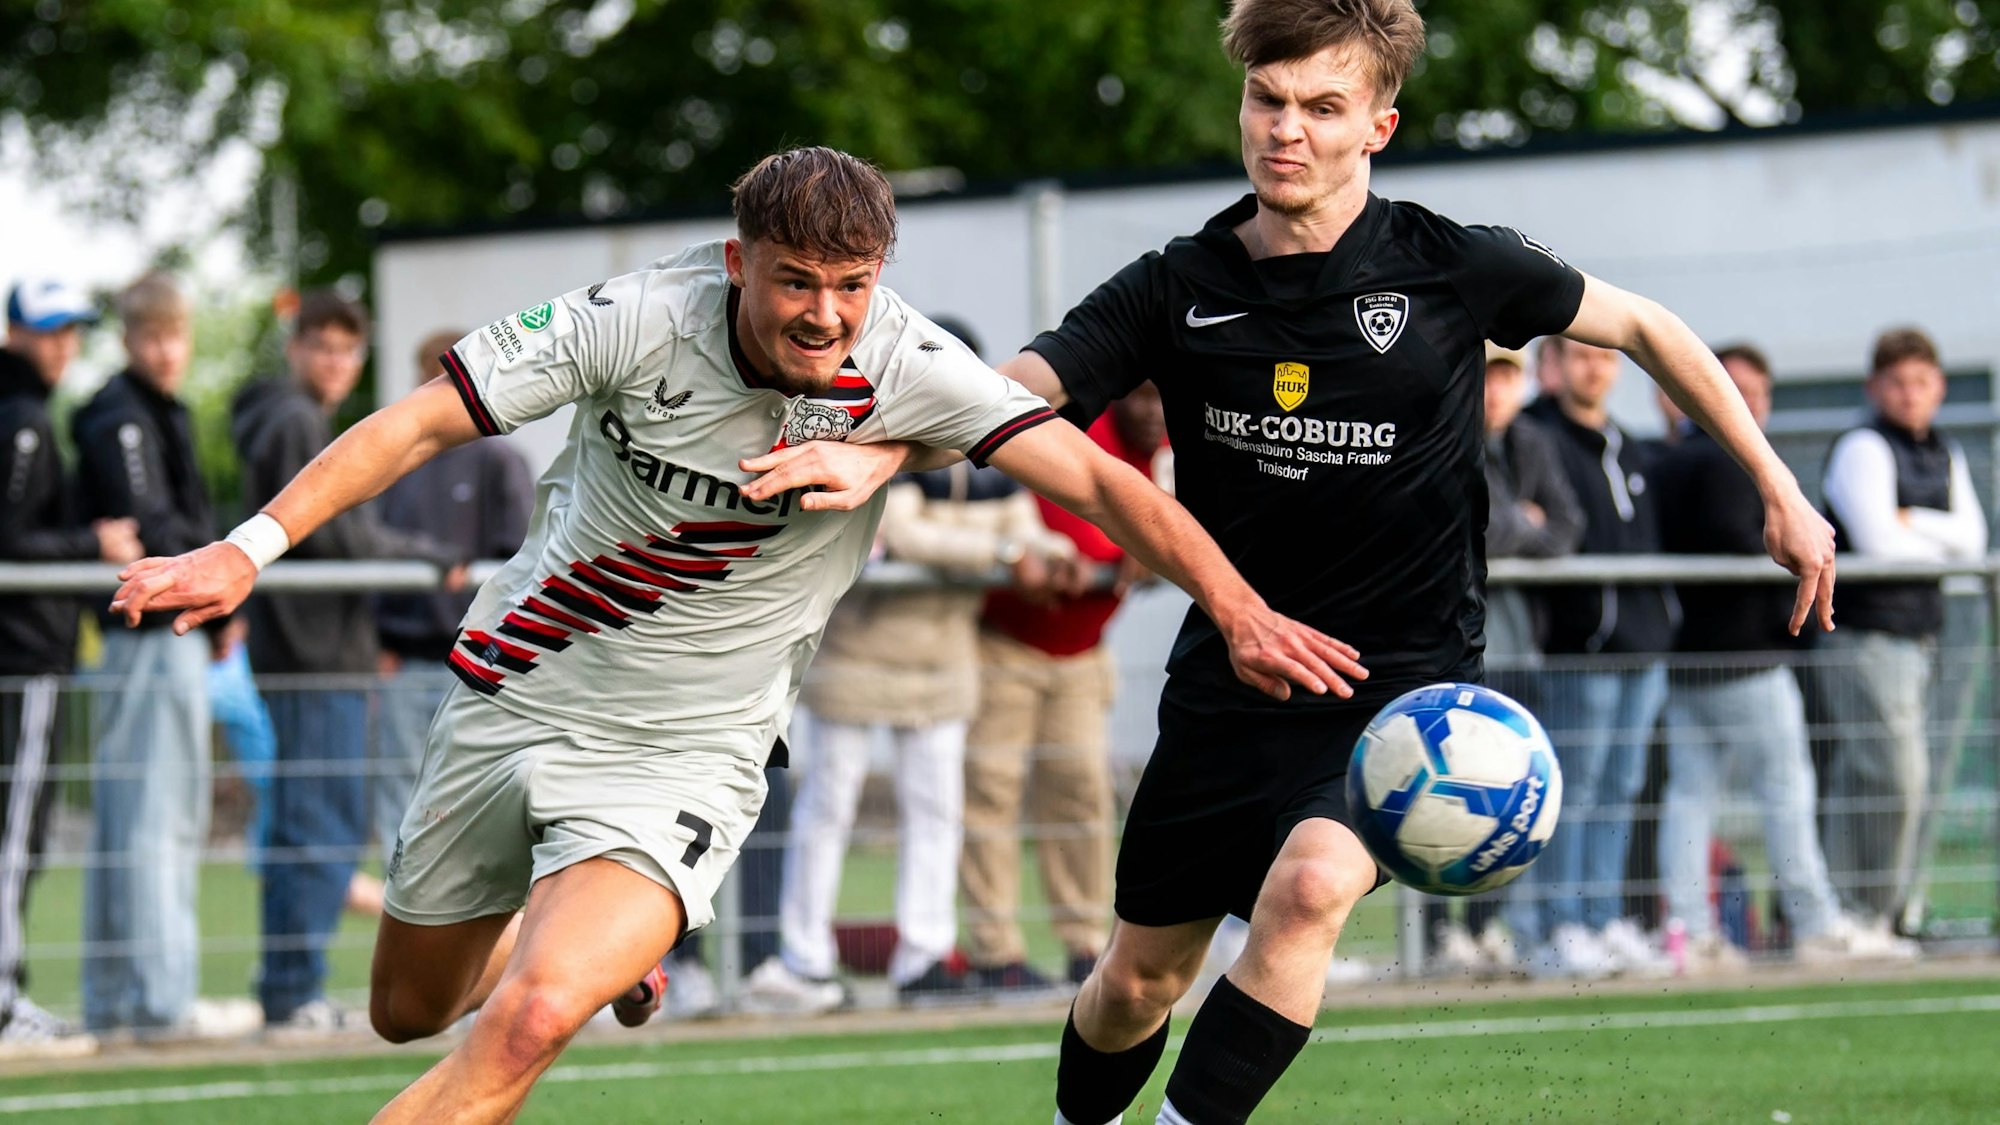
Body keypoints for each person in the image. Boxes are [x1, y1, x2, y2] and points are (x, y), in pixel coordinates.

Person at [108, 146, 1352, 1124]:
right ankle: (607, 958)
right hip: (517, 700)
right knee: (406, 1009)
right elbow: (416, 426)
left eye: (852, 287)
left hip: (689, 752)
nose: (825, 317)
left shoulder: (907, 362)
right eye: (795, 281)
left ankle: (591, 957)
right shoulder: (632, 319)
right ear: (736, 260)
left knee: (532, 1020)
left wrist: (1238, 612)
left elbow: (1101, 489)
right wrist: (243, 549)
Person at [772, 4, 1836, 1120]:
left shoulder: (1452, 266)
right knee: (1135, 983)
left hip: (1400, 691)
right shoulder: (1174, 285)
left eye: (1321, 108)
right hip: (1228, 686)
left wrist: (1777, 485)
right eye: (1266, 101)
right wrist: (881, 449)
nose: (1286, 130)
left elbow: (1654, 330)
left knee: (1313, 887)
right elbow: (1006, 392)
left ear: (1375, 125)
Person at [757, 316, 1072, 1009]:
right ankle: (800, 958)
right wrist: (1000, 553)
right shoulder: (872, 432)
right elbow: (905, 531)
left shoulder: (988, 455)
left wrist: (1039, 554)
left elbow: (1028, 532)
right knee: (828, 804)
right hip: (857, 654)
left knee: (938, 810)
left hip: (943, 658)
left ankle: (923, 956)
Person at [230, 291, 465, 1033]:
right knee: (318, 825)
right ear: (296, 348)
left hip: (314, 653)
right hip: (314, 656)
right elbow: (342, 536)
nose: (334, 362)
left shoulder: (288, 416)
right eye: (321, 346)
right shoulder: (294, 418)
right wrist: (431, 555)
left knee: (311, 822)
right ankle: (293, 989)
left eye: (346, 349)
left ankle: (289, 987)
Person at [1653, 344, 1914, 973]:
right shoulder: (1727, 463)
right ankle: (1815, 924)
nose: (1751, 404)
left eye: (1759, 393)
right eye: (1736, 390)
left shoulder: (1668, 461)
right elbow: (1753, 550)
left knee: (1691, 793)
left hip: (1690, 659)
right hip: (1747, 658)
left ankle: (1691, 935)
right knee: (1786, 788)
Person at [960, 380, 1168, 996]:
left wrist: (1151, 543)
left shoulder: (1170, 448)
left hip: (1081, 655)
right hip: (1006, 645)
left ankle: (1085, 945)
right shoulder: (1080, 432)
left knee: (1082, 797)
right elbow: (1044, 519)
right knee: (990, 798)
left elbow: (1184, 522)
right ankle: (997, 953)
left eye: (1164, 399)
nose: (1155, 413)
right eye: (1143, 397)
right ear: (1118, 397)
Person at [73, 272, 220, 1036]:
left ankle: (117, 998)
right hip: (153, 640)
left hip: (152, 643)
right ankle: (158, 1001)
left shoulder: (153, 412)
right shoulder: (122, 417)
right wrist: (219, 588)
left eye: (176, 335)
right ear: (130, 339)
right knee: (155, 820)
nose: (167, 351)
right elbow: (158, 525)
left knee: (134, 817)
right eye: (152, 336)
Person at [1511, 336, 1679, 980]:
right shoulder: (1535, 435)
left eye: (1605, 358)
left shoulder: (1628, 443)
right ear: (1551, 367)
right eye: (1580, 356)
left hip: (1646, 643)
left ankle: (1602, 917)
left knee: (1620, 788)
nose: (1595, 368)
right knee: (1571, 791)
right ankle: (1558, 925)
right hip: (1581, 646)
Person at [0, 278, 139, 1051]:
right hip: (23, 657)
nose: (62, 345)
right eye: (48, 330)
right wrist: (96, 545)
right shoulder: (21, 420)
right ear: (16, 330)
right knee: (17, 833)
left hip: (24, 656)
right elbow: (10, 538)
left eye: (71, 331)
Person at [1816, 327, 1986, 936]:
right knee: (1891, 777)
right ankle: (1868, 915)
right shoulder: (1863, 446)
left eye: (1921, 382)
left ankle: (1862, 915)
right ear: (1874, 387)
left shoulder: (1944, 450)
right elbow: (1882, 546)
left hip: (1919, 639)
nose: (1910, 395)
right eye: (1897, 383)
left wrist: (1913, 519)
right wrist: (1921, 532)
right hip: (1864, 637)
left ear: (1938, 387)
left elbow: (1974, 541)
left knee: (1876, 777)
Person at [1422, 342, 1582, 978]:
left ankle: (1488, 928)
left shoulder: (1532, 442)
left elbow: (1569, 526)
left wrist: (1517, 523)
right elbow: (1481, 524)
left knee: (1509, 793)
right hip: (1450, 653)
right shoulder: (1437, 434)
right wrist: (1521, 519)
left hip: (1519, 653)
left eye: (1508, 378)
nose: (1497, 392)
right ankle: (1438, 935)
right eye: (1488, 377)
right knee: (1442, 796)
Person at [373, 330, 534, 885]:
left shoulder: (500, 459)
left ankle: (460, 911)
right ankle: (403, 902)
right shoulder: (397, 459)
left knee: (470, 789)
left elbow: (521, 556)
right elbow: (376, 548)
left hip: (472, 664)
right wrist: (380, 641)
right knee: (397, 787)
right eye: (429, 372)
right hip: (403, 659)